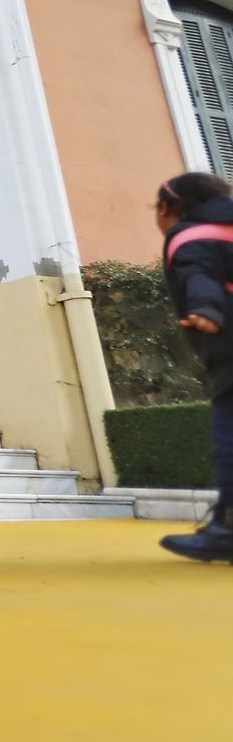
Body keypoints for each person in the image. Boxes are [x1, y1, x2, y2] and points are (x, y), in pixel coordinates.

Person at [156, 173, 233, 563]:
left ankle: (228, 531)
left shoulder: (190, 236)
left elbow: (199, 275)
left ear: (167, 207)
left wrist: (205, 309)